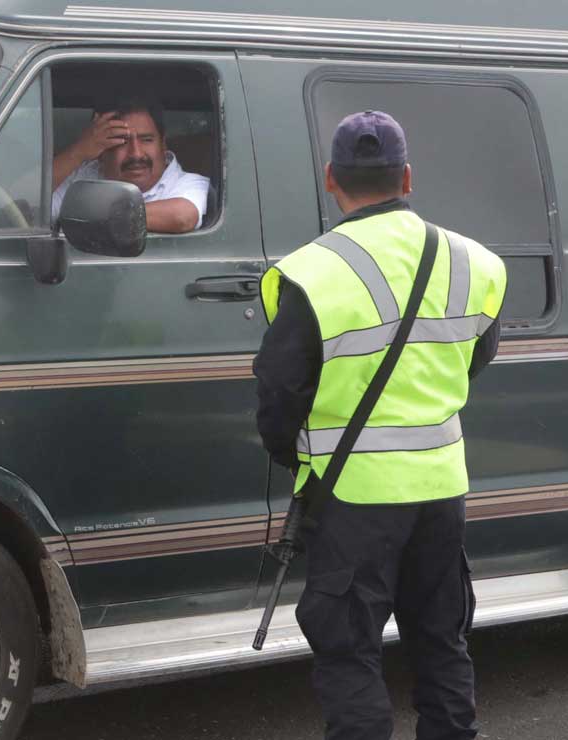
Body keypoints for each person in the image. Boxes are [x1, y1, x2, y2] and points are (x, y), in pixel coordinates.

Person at [253, 110, 507, 740]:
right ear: (408, 177)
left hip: (352, 497)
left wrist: (298, 455)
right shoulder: (478, 263)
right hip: (442, 489)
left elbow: (280, 391)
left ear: (331, 179)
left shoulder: (310, 272)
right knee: (442, 639)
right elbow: (476, 358)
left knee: (350, 650)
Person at [51, 95, 209, 233]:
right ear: (100, 151)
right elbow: (29, 205)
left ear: (163, 144)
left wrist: (88, 214)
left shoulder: (190, 183)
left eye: (146, 140)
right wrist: (79, 151)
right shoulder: (80, 178)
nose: (136, 153)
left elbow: (182, 217)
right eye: (122, 142)